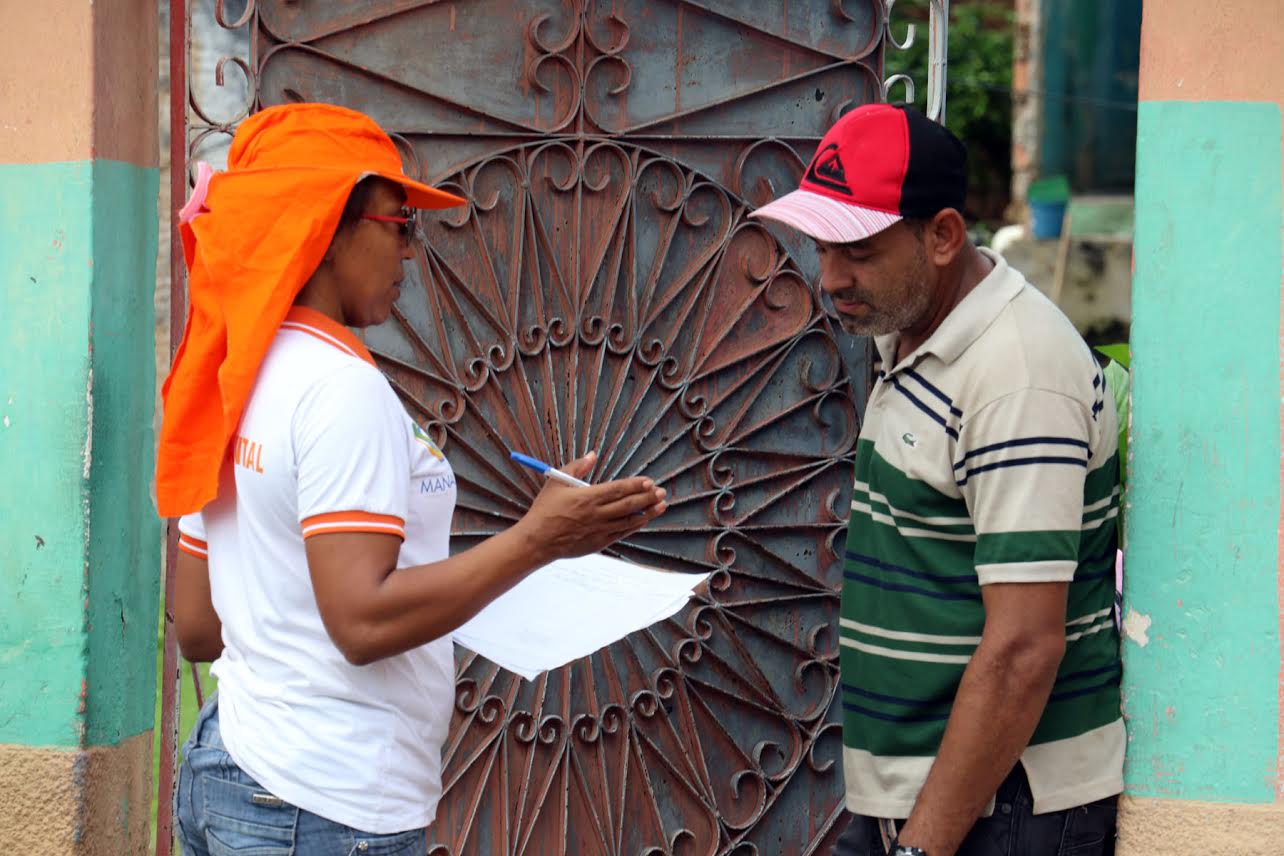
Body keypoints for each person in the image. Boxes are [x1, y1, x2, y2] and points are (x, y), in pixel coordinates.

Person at [159, 103, 668, 855]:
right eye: (400, 225)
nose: (410, 252)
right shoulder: (338, 388)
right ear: (326, 226)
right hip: (326, 802)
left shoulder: (230, 373)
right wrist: (540, 540)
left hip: (233, 768)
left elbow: (199, 627)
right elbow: (362, 623)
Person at [751, 104, 1122, 856]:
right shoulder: (919, 332)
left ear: (944, 236)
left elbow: (1024, 648)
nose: (831, 278)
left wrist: (922, 846)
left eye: (858, 251)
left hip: (1006, 809)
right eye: (822, 248)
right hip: (938, 799)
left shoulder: (1017, 375)